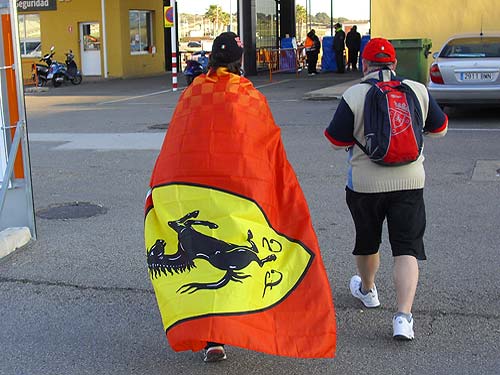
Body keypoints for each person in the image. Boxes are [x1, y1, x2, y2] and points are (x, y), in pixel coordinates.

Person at [145, 32, 336, 363]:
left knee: (206, 258)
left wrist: (160, 188)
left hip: (195, 191)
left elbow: (175, 144)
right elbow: (264, 145)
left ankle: (213, 339)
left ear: (213, 59)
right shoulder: (247, 95)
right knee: (230, 251)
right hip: (238, 190)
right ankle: (240, 324)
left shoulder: (192, 93)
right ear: (239, 59)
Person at [324, 38, 448, 340]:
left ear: (363, 64)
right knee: (407, 247)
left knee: (368, 241)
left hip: (365, 184)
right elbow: (440, 128)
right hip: (410, 181)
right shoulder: (417, 90)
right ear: (394, 64)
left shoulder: (354, 94)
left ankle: (368, 291)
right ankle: (403, 318)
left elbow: (335, 139)